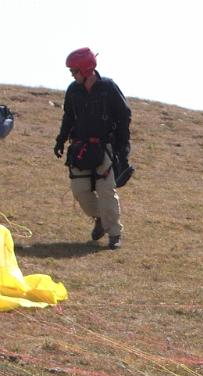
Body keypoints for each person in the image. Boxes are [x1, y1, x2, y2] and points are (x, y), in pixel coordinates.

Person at [54, 47, 132, 249]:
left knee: (106, 190)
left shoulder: (108, 88)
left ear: (86, 69)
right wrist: (60, 140)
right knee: (79, 190)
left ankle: (114, 234)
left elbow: (124, 117)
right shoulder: (73, 90)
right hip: (80, 147)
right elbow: (68, 117)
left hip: (104, 147)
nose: (72, 75)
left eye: (74, 70)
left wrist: (123, 150)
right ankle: (101, 218)